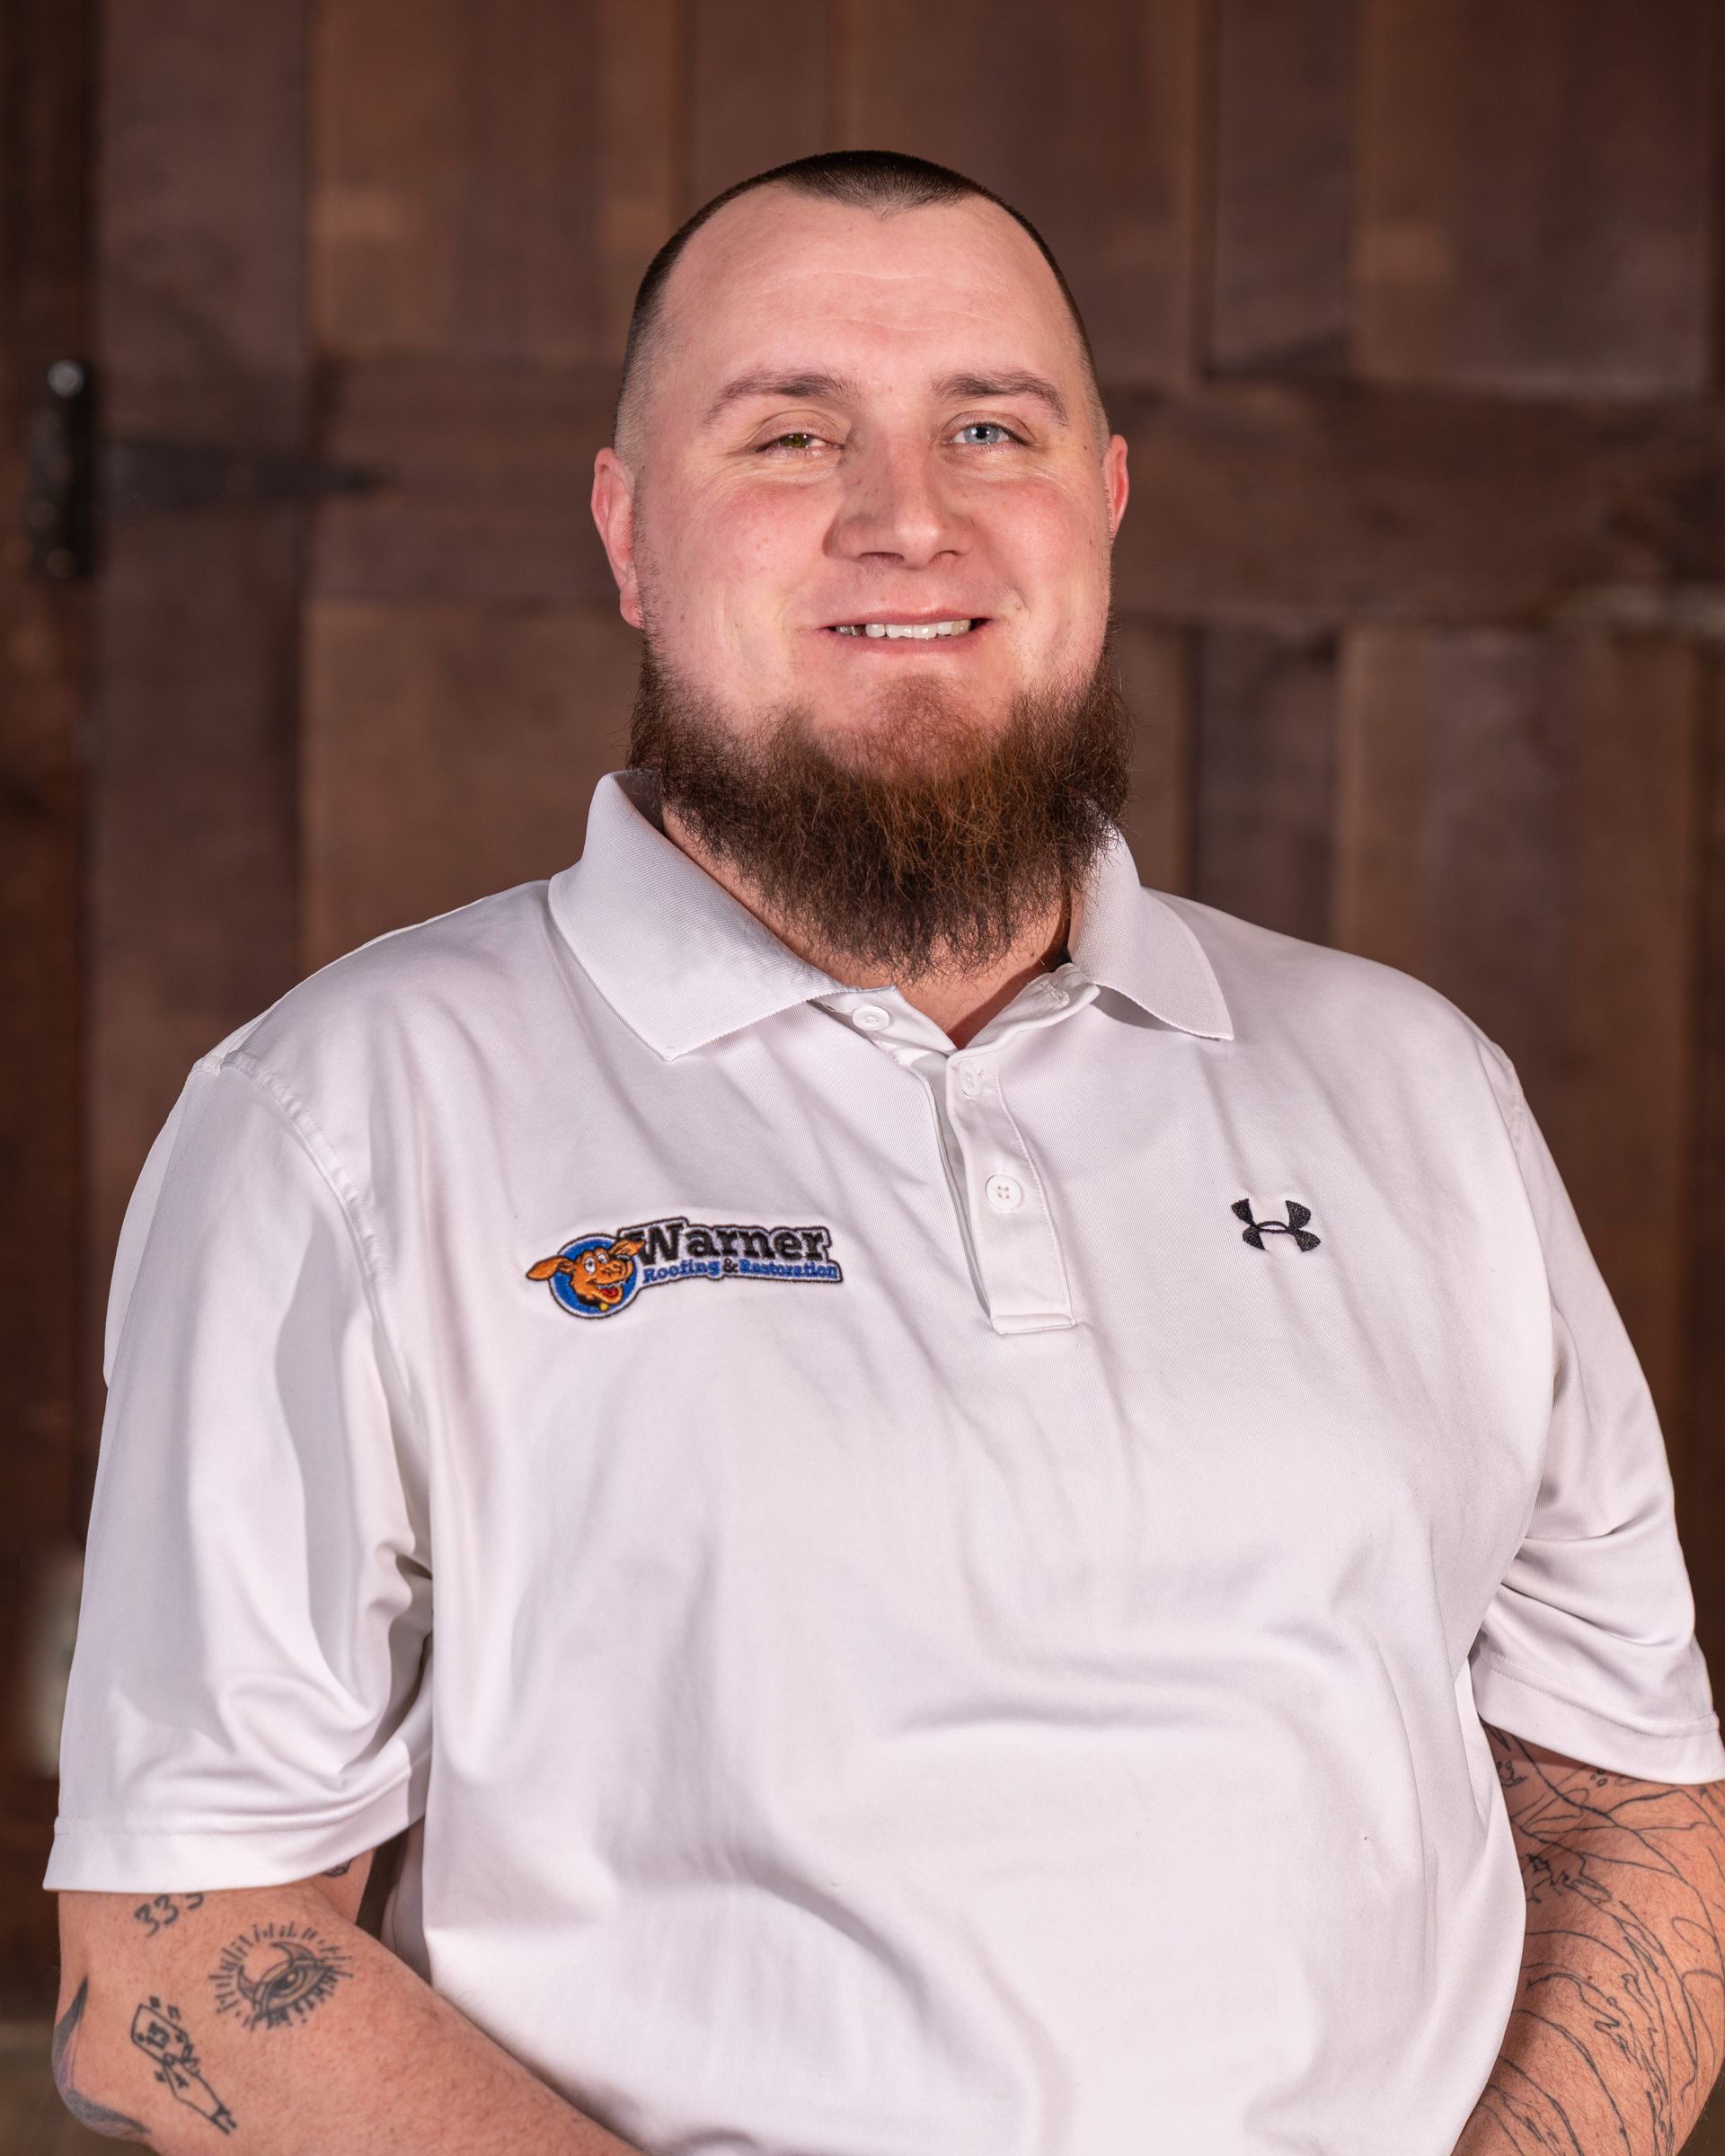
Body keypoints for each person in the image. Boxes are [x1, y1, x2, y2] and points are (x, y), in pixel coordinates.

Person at [47, 150, 1725, 2156]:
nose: (904, 517)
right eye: (789, 433)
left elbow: (1633, 1797)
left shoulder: (1412, 1088)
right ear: (627, 531)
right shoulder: (344, 1116)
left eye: (989, 427)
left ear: (1100, 506)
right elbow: (178, 1954)